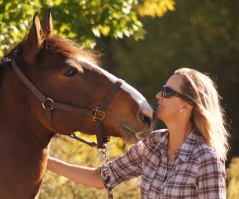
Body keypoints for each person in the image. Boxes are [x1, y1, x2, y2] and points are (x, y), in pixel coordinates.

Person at [47, 67, 229, 198]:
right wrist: (44, 161)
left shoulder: (206, 159)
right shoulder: (153, 143)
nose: (159, 95)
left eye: (167, 92)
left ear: (186, 105)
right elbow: (100, 178)